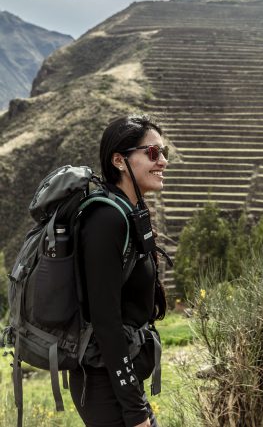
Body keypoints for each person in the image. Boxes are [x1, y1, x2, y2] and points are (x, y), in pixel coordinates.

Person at [69, 114, 171, 427]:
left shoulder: (127, 212)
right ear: (119, 160)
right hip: (102, 384)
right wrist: (136, 411)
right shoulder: (106, 220)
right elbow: (106, 322)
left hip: (116, 380)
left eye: (163, 151)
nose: (163, 161)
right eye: (153, 153)